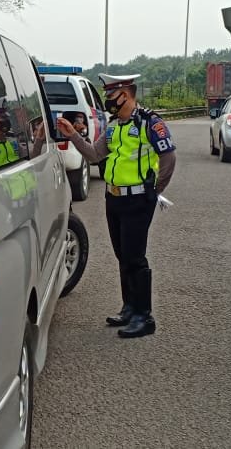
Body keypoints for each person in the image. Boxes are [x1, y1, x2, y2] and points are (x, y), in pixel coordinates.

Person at [55, 73, 176, 338]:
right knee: (123, 256)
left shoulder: (149, 123)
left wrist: (155, 192)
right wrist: (73, 134)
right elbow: (94, 154)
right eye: (107, 95)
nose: (108, 100)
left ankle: (145, 317)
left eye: (112, 95)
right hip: (114, 197)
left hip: (138, 199)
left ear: (127, 95)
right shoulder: (113, 126)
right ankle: (129, 308)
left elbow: (168, 156)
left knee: (135, 257)